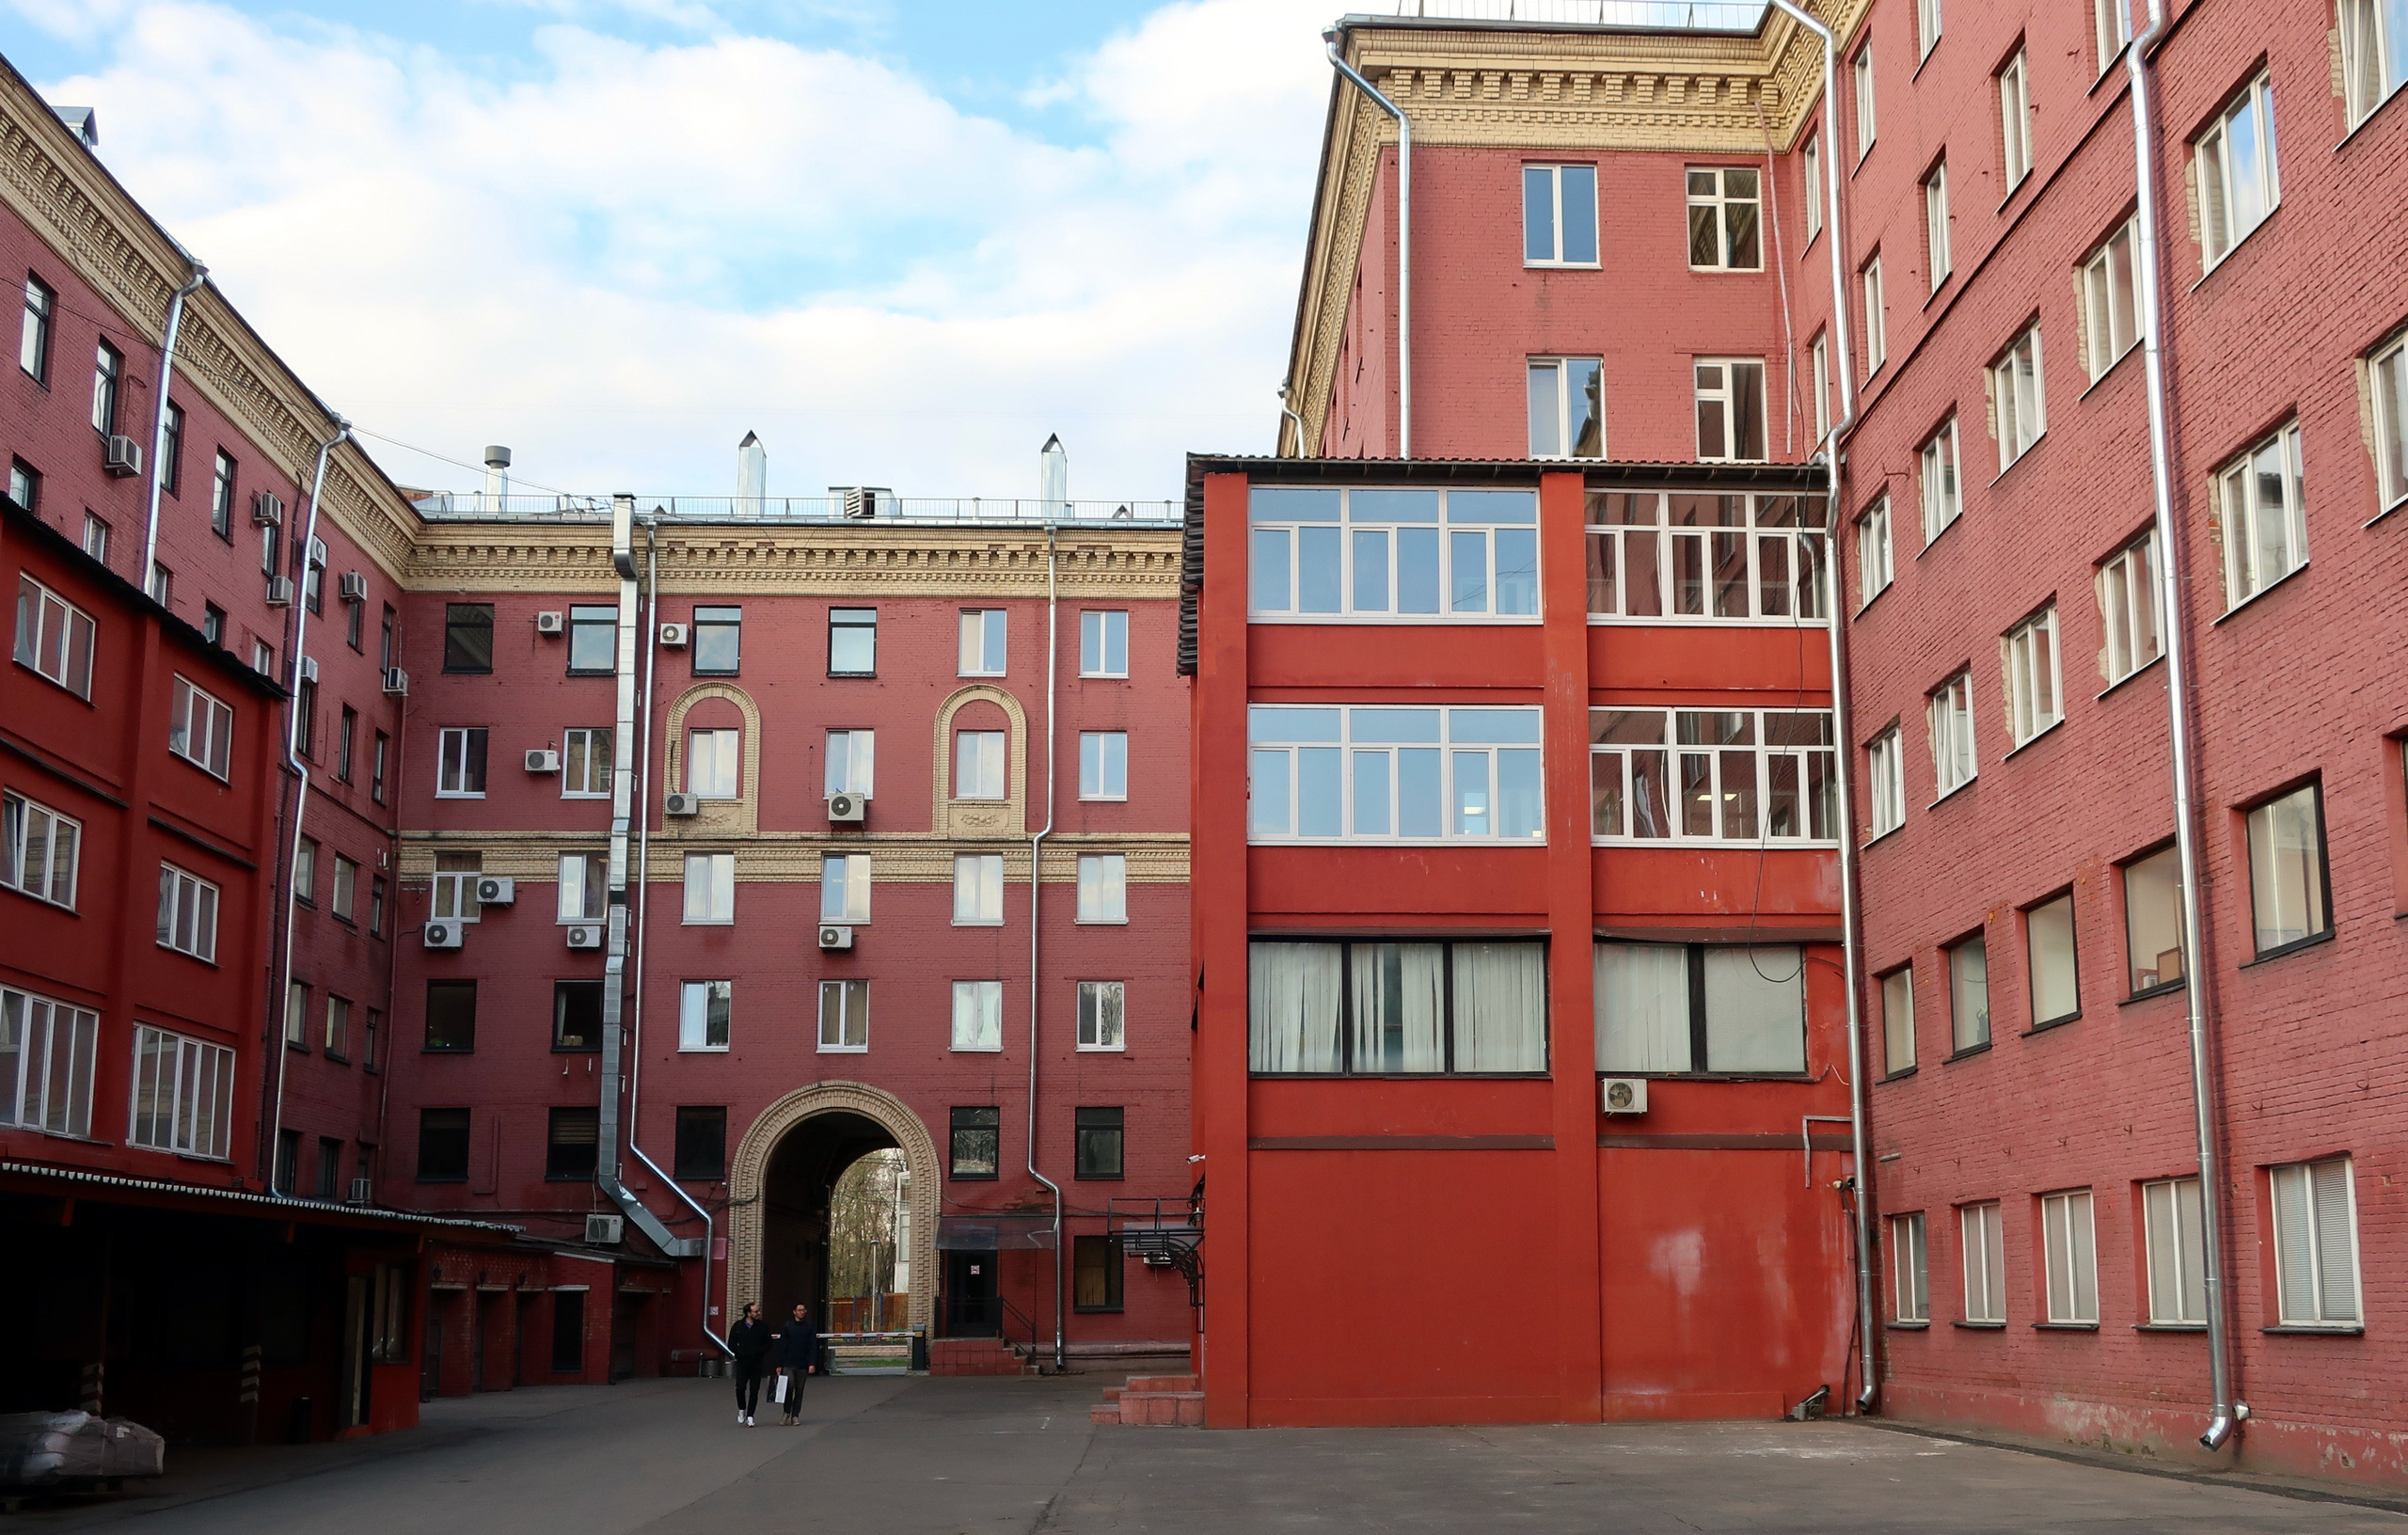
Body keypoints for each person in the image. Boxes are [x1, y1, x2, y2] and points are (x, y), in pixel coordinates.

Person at [774, 1303, 820, 1425]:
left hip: (802, 1363)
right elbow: (782, 1345)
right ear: (794, 1312)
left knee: (799, 1390)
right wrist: (779, 1364)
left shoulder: (809, 1327)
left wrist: (812, 1363)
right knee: (789, 1387)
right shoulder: (788, 1326)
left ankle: (795, 1416)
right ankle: (786, 1412)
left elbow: (813, 1346)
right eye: (799, 1310)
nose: (802, 1312)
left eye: (804, 1310)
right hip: (788, 1363)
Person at [729, 1302, 771, 1426]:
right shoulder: (738, 1326)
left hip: (756, 1363)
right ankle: (742, 1409)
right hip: (742, 1362)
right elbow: (731, 1343)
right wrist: (739, 1352)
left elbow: (768, 1343)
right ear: (748, 1313)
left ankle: (750, 1416)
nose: (758, 1313)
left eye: (758, 1311)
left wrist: (759, 1351)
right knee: (740, 1388)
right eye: (755, 1311)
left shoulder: (763, 1326)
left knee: (754, 1389)